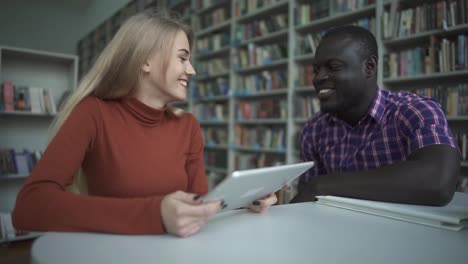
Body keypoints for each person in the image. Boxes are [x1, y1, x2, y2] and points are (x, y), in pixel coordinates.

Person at [12, 11, 277, 238]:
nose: (192, 70)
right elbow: (29, 207)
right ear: (145, 60)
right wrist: (156, 214)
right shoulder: (92, 113)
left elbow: (197, 205)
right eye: (183, 58)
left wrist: (243, 200)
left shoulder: (188, 126)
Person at [291, 25, 460, 206]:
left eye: (333, 67)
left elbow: (438, 181)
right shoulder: (313, 130)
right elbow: (306, 202)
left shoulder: (414, 110)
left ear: (369, 67)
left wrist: (322, 185)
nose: (318, 78)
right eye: (316, 70)